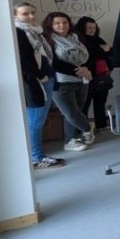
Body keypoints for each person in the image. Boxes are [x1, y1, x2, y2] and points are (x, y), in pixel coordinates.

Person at [13, 3, 66, 168]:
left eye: (32, 13)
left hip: (47, 78)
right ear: (15, 16)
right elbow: (23, 60)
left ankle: (37, 155)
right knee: (34, 121)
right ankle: (36, 158)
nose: (30, 17)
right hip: (35, 82)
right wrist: (40, 76)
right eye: (25, 14)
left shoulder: (37, 32)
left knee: (38, 120)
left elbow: (46, 56)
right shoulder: (18, 32)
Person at [42, 12, 93, 152]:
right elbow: (53, 63)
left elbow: (88, 56)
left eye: (64, 22)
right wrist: (78, 70)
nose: (62, 25)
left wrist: (86, 70)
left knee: (75, 111)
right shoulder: (47, 40)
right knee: (71, 113)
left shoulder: (76, 37)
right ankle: (88, 128)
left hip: (81, 80)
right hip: (61, 82)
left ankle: (71, 140)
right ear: (50, 25)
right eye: (57, 23)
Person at [75, 17, 112, 132]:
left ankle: (101, 125)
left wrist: (102, 51)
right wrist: (102, 51)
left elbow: (110, 51)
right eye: (89, 28)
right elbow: (92, 55)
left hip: (102, 75)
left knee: (100, 102)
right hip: (87, 76)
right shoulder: (78, 40)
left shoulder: (98, 39)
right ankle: (84, 129)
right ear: (82, 28)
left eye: (94, 28)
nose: (92, 30)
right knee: (84, 104)